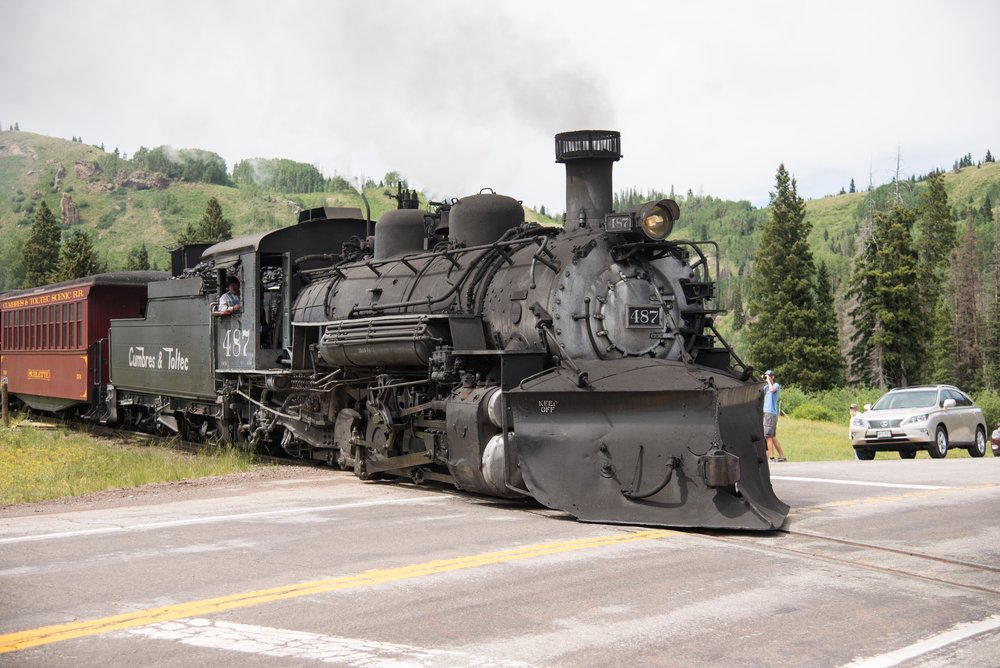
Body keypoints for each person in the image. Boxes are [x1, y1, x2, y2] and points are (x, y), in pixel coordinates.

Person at [762, 369, 786, 462]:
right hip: (768, 413)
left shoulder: (775, 385)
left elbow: (772, 390)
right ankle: (782, 456)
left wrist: (768, 380)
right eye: (766, 376)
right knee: (773, 436)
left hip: (770, 413)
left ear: (773, 377)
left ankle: (771, 458)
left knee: (768, 436)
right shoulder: (766, 387)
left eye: (769, 376)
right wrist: (763, 379)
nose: (767, 378)